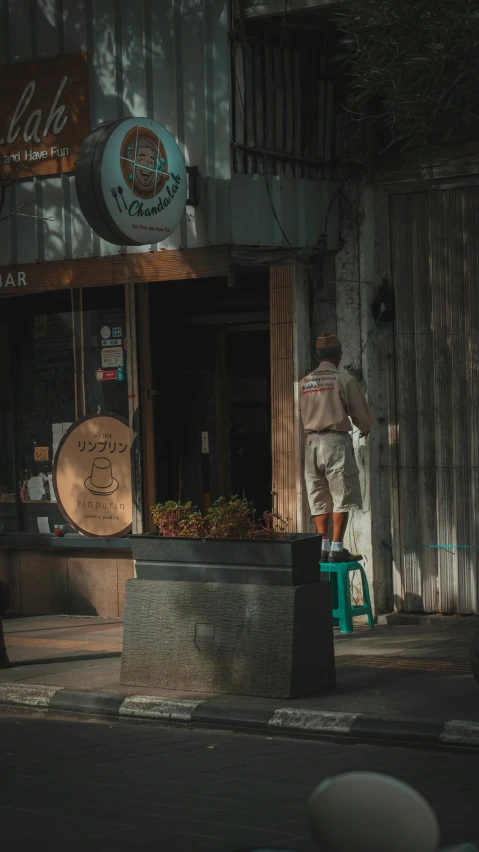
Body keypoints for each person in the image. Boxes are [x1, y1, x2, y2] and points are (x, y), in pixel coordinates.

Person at [299, 331, 373, 563]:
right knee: (341, 494)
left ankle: (323, 547)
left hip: (311, 442)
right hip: (335, 443)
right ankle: (338, 549)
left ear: (316, 355)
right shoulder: (343, 379)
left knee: (318, 494)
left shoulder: (304, 383)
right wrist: (365, 428)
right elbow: (361, 415)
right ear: (339, 355)